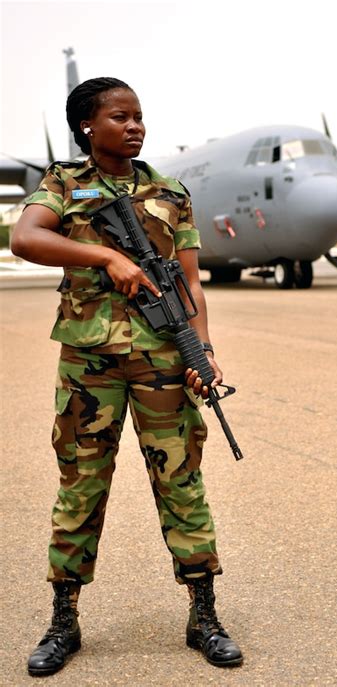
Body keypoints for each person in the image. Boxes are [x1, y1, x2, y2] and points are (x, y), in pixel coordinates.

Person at [11, 77, 243, 676]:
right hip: (90, 364)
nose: (135, 125)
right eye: (120, 116)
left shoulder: (170, 191)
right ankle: (64, 620)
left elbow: (190, 282)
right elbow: (26, 238)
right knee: (80, 489)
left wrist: (204, 351)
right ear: (88, 125)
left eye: (139, 116)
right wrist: (108, 256)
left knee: (183, 484)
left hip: (165, 359)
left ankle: (204, 616)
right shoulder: (63, 183)